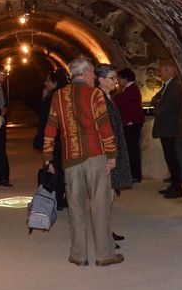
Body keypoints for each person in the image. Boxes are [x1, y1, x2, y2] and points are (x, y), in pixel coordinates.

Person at [43, 57, 123, 267]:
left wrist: (48, 157)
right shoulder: (94, 94)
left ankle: (79, 255)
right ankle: (104, 254)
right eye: (92, 74)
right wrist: (112, 155)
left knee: (75, 207)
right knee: (100, 205)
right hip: (96, 155)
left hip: (70, 159)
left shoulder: (58, 96)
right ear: (87, 73)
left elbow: (50, 127)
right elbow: (104, 126)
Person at [95, 63, 131, 244]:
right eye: (112, 78)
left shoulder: (107, 96)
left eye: (116, 77)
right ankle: (104, 236)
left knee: (109, 196)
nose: (116, 81)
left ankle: (107, 229)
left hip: (113, 150)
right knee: (104, 197)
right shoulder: (98, 98)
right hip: (105, 154)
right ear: (101, 80)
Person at [151, 59, 182, 199]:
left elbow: (164, 107)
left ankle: (177, 188)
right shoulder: (167, 85)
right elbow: (155, 100)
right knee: (170, 157)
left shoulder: (176, 86)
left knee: (173, 157)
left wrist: (157, 107)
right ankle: (174, 184)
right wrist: (158, 104)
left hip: (170, 127)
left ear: (169, 71)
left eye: (161, 71)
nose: (159, 73)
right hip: (166, 127)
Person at [35, 68, 70, 210]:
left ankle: (56, 199)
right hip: (66, 139)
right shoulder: (66, 96)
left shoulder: (52, 99)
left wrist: (41, 140)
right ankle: (67, 198)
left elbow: (45, 122)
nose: (45, 83)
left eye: (48, 81)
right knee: (65, 169)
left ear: (54, 83)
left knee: (54, 169)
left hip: (54, 139)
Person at [113, 67, 145, 183]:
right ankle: (133, 174)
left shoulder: (131, 90)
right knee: (131, 149)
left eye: (119, 79)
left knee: (132, 150)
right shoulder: (129, 89)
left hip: (132, 124)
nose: (118, 81)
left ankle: (135, 175)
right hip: (131, 123)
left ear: (125, 79)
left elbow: (118, 101)